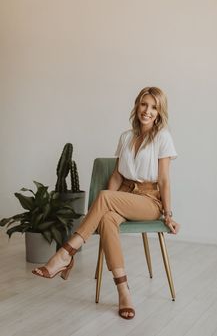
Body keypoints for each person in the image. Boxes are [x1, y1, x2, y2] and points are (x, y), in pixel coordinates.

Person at [32, 86, 180, 320]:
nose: (147, 111)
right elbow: (117, 176)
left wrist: (168, 214)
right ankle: (124, 292)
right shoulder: (126, 137)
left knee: (103, 197)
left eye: (154, 107)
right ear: (137, 105)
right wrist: (104, 207)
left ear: (160, 112)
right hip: (123, 195)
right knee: (108, 218)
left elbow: (164, 179)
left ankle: (65, 254)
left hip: (149, 200)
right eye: (144, 104)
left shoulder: (163, 137)